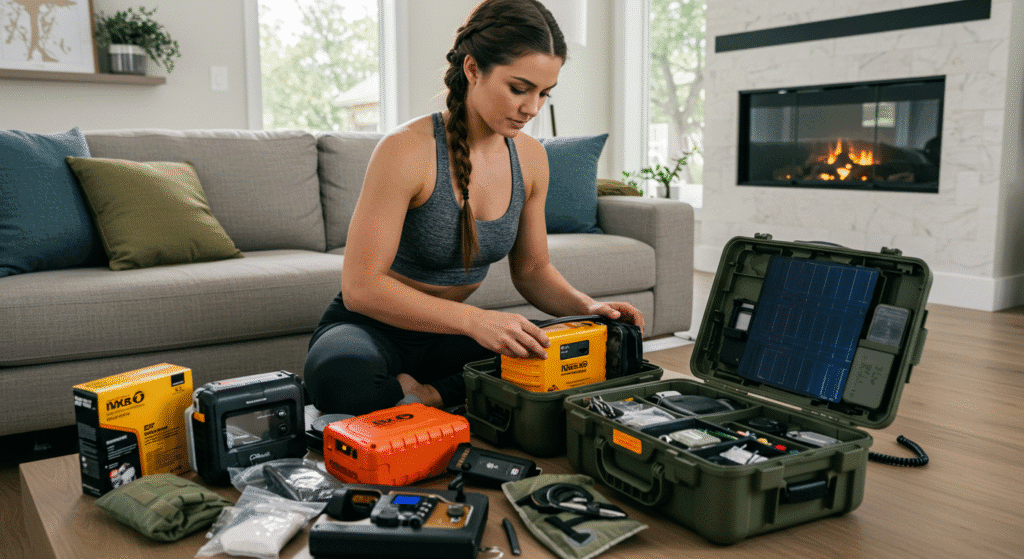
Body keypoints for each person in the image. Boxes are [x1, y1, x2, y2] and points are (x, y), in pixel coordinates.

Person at [304, 0, 643, 416]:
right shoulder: (407, 150)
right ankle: (446, 393)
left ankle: (427, 395)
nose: (532, 108)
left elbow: (534, 271)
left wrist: (588, 307)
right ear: (472, 70)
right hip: (370, 329)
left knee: (571, 355)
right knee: (341, 380)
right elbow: (361, 288)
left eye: (543, 93)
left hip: (447, 336)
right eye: (519, 88)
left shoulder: (531, 158)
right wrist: (475, 321)